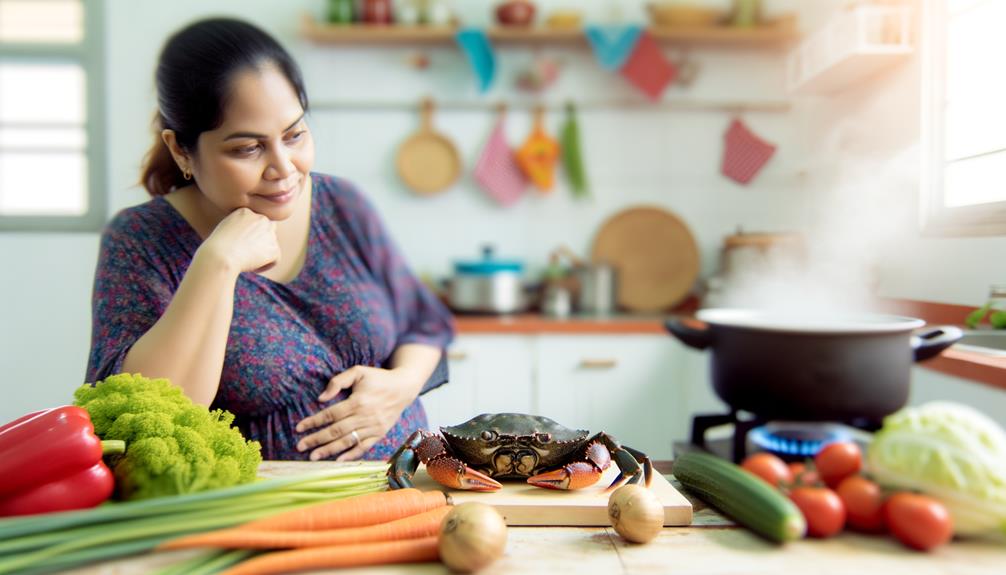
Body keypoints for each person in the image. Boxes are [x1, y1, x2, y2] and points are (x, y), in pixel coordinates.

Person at [85, 17, 455, 462]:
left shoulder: (343, 204)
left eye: (295, 135)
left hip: (409, 497)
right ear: (182, 150)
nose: (284, 168)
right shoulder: (141, 241)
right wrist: (217, 263)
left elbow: (422, 321)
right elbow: (148, 420)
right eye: (247, 148)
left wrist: (401, 385)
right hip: (261, 521)